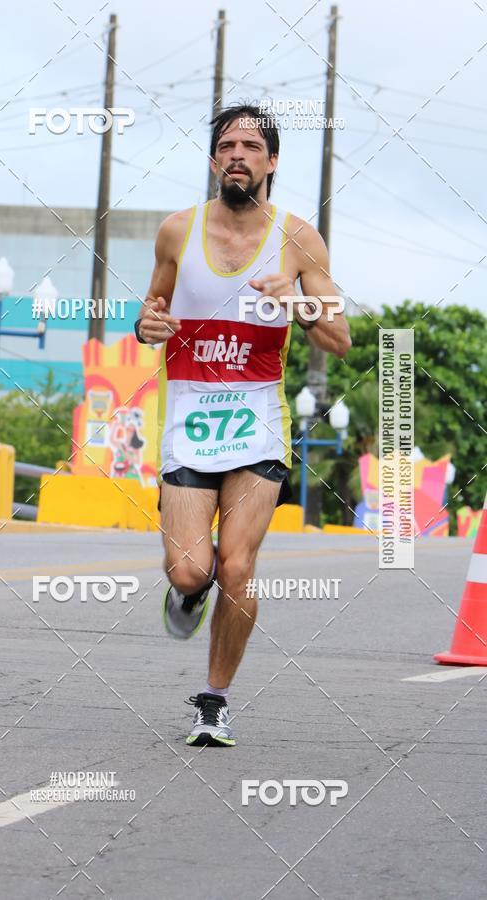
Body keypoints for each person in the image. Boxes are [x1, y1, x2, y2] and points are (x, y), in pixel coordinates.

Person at [134, 104, 351, 746]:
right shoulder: (177, 231)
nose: (238, 154)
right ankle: (186, 593)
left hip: (259, 425)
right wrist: (146, 327)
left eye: (252, 146)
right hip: (190, 422)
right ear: (213, 160)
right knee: (190, 571)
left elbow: (339, 337)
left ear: (271, 161)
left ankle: (214, 700)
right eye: (227, 145)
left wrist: (299, 303)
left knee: (236, 567)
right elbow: (151, 311)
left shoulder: (299, 238)